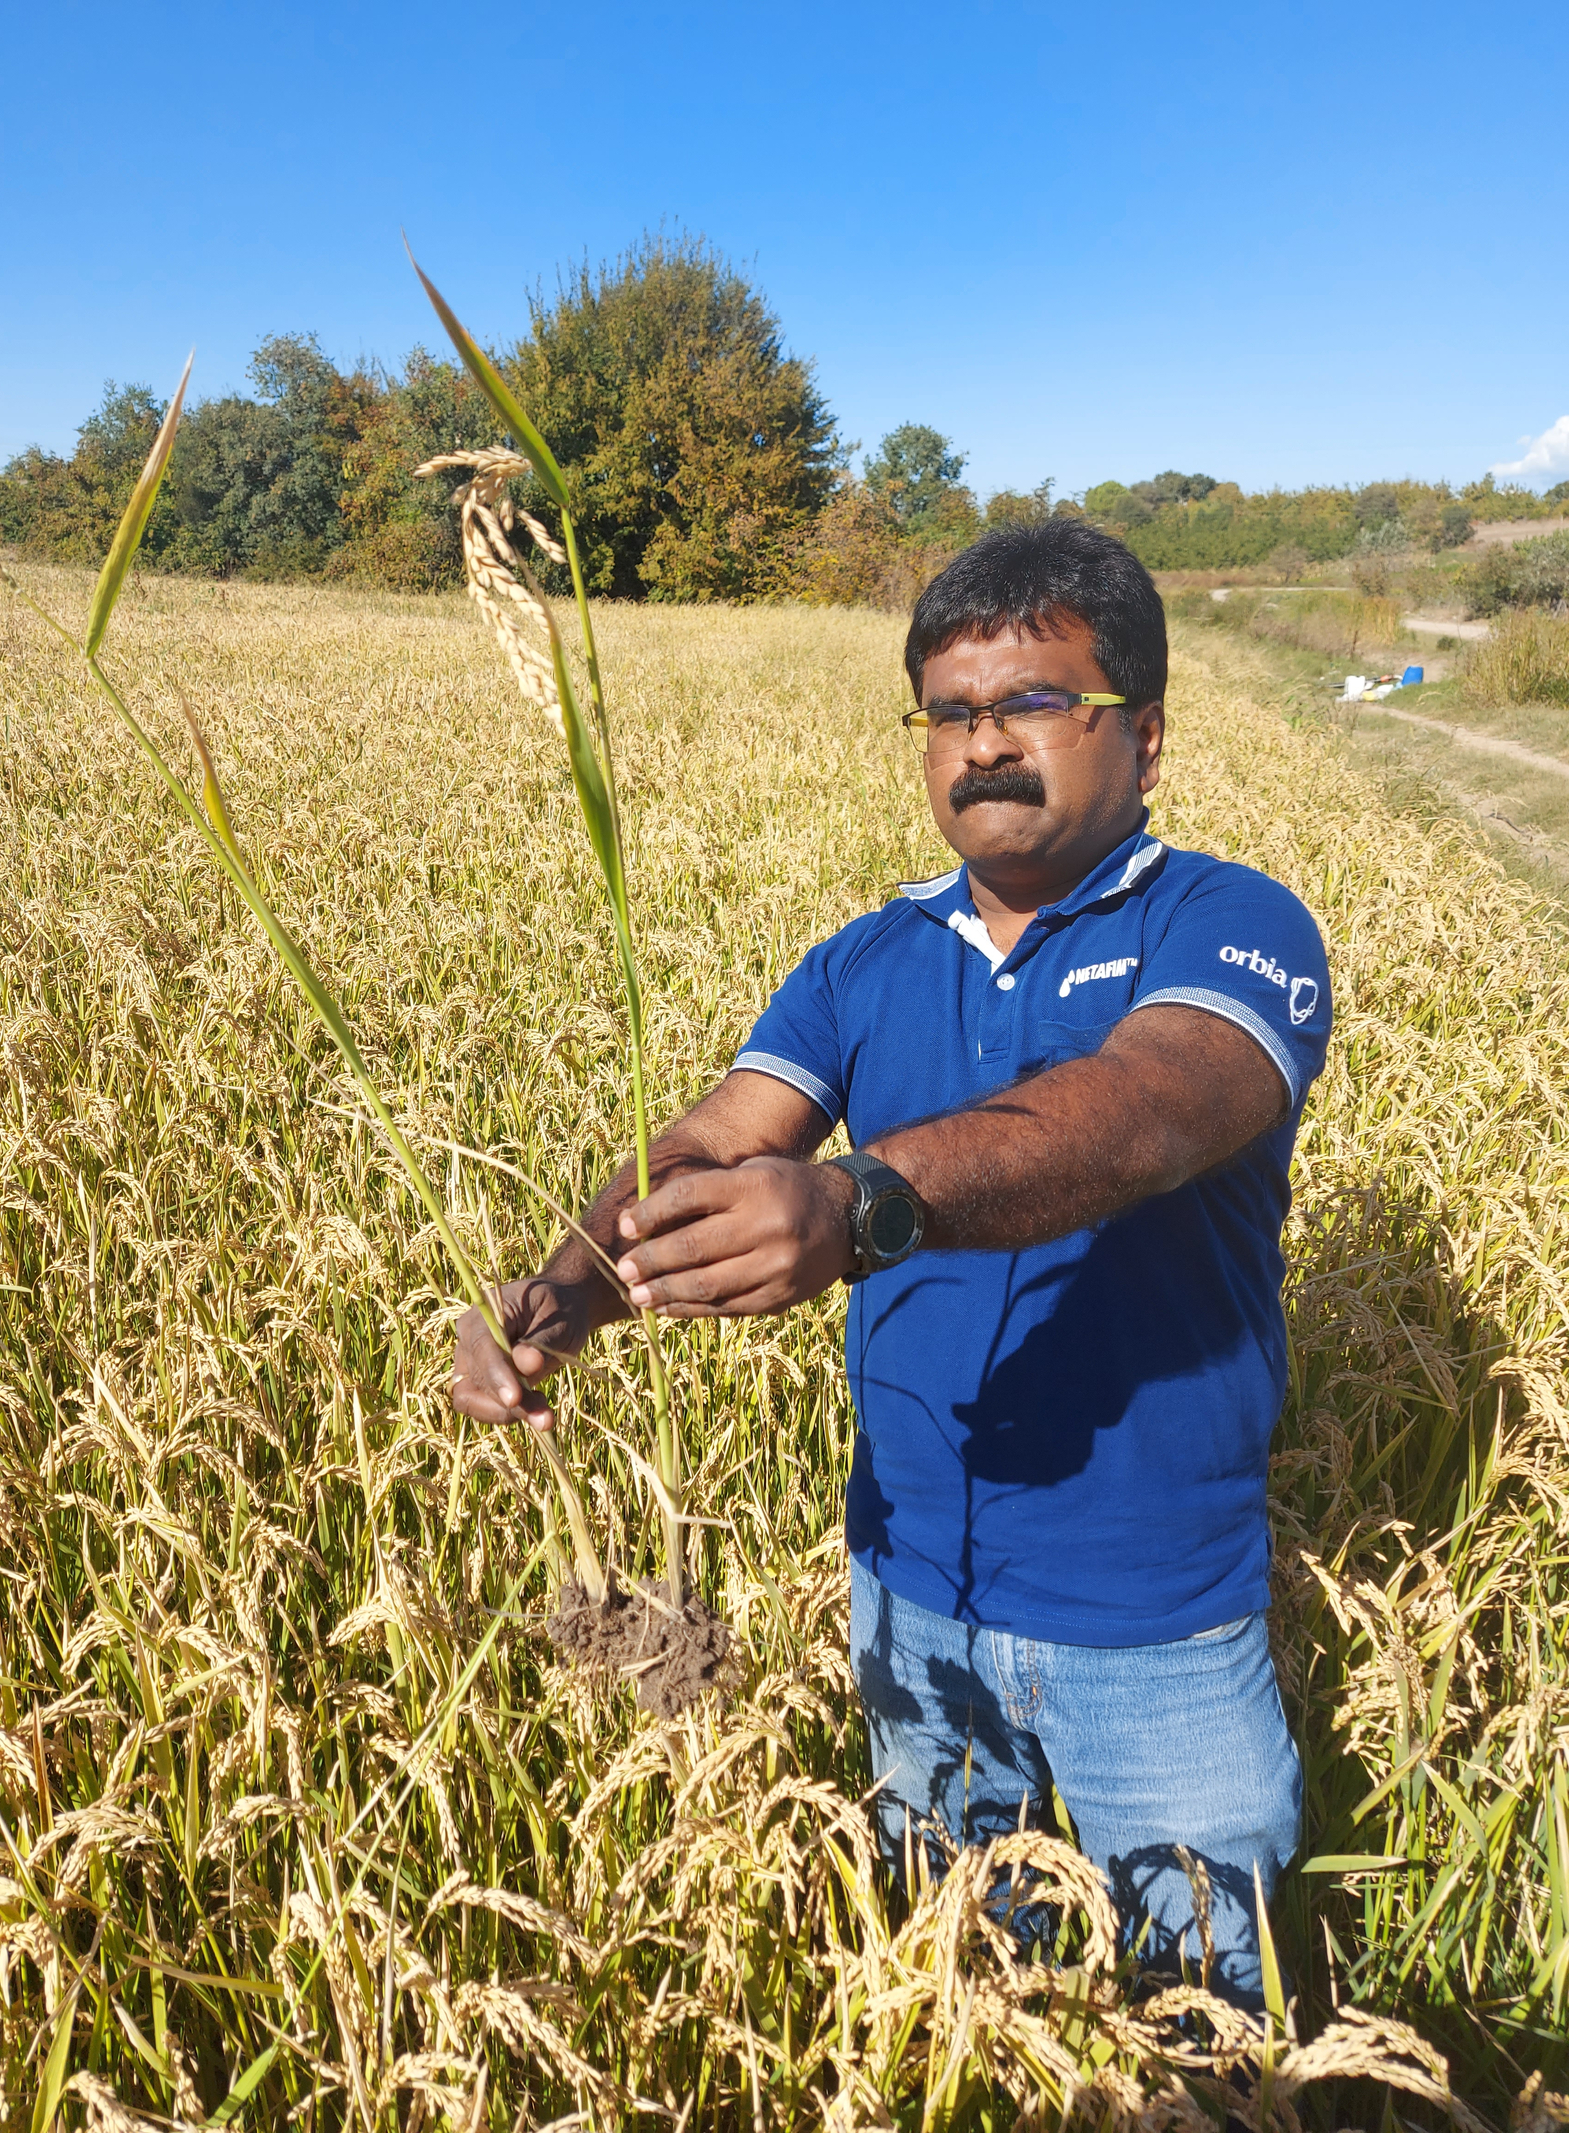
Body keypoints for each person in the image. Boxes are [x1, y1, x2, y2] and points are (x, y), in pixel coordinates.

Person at [451, 520, 1331, 2005]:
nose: (983, 744)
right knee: (959, 2011)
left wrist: (865, 1199)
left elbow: (1153, 1109)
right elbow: (722, 1134)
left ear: (1147, 734)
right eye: (950, 712)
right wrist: (571, 1290)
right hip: (915, 1607)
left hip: (1160, 1625)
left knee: (1212, 2047)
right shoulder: (864, 959)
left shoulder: (1229, 922)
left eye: (1035, 701)